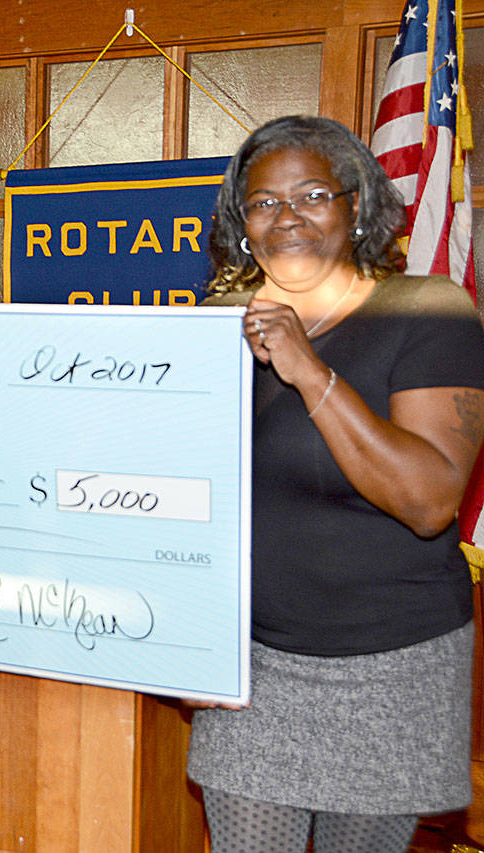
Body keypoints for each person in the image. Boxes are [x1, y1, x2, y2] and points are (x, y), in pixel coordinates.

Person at [187, 114, 484, 852]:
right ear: (242, 224)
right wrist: (188, 642)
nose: (287, 216)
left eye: (313, 195)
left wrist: (308, 368)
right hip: (253, 668)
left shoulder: (429, 309)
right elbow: (182, 500)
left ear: (356, 206)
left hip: (392, 670)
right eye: (263, 202)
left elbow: (429, 502)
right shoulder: (215, 325)